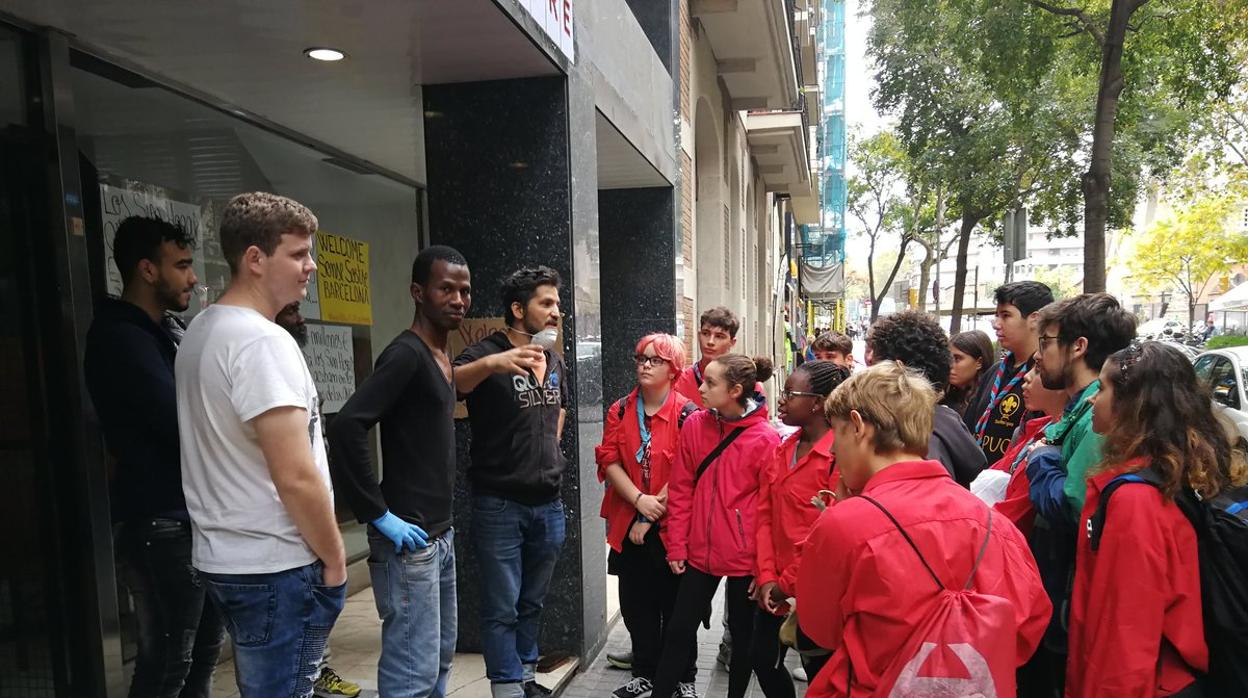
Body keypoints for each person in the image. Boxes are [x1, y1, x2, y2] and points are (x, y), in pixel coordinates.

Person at [176, 192, 345, 698]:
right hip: (276, 564)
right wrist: (336, 560)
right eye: (298, 254)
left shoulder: (202, 330)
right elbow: (294, 475)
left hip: (227, 558)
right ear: (254, 258)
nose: (310, 266)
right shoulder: (262, 342)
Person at [796, 362, 1051, 697]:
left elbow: (820, 630)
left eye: (837, 431)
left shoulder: (846, 524)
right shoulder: (992, 523)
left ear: (857, 426)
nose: (832, 449)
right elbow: (1027, 626)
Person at [84, 216, 225, 698]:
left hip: (185, 516)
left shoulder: (162, 331)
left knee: (201, 654)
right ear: (146, 269)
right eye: (182, 265)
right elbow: (177, 418)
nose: (192, 278)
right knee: (167, 661)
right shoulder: (122, 337)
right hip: (158, 521)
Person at [327, 246, 471, 698]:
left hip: (438, 536)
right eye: (445, 288)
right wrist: (378, 513)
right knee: (411, 672)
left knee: (439, 661)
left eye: (464, 291)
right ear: (417, 292)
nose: (458, 300)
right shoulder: (405, 354)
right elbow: (348, 425)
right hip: (408, 541)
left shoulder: (442, 356)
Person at [1068, 342, 1245, 695]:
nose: (1092, 399)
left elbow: (1124, 638)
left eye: (1102, 388)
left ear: (1133, 406)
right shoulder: (1186, 470)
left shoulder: (1135, 501)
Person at [453, 266, 568, 698]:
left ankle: (523, 677)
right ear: (519, 310)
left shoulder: (554, 358)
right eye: (546, 303)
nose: (556, 312)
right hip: (498, 503)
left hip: (549, 504)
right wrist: (493, 364)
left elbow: (559, 408)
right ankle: (505, 689)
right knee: (502, 606)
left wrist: (551, 452)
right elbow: (452, 383)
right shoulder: (483, 353)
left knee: (532, 602)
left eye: (557, 303)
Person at [1024, 292, 1136, 697]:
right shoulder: (1079, 409)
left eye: (1046, 342)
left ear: (1078, 347)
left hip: (1064, 596)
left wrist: (1041, 460)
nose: (1038, 357)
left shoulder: (1095, 418)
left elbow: (1074, 508)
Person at [653, 355, 785, 698]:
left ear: (735, 390)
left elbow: (770, 510)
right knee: (679, 630)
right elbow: (681, 489)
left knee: (742, 638)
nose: (701, 388)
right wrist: (677, 544)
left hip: (745, 558)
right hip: (698, 552)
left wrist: (763, 570)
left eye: (710, 383)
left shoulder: (765, 439)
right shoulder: (696, 425)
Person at [595, 333, 698, 698]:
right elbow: (609, 461)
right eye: (640, 358)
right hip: (629, 521)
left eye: (655, 360)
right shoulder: (620, 409)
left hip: (673, 527)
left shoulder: (689, 414)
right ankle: (644, 671)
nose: (645, 365)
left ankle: (684, 677)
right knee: (637, 606)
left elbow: (690, 470)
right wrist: (639, 501)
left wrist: (652, 512)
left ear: (674, 369)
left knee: (676, 609)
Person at [272, 301, 361, 698]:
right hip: (285, 530)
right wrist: (336, 555)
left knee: (305, 648)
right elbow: (292, 473)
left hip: (308, 523)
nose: (302, 316)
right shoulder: (267, 358)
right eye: (292, 310)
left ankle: (318, 671)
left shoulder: (293, 360)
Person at [753, 361, 850, 691]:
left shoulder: (840, 457)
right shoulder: (784, 448)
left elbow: (825, 537)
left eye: (790, 394)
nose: (781, 400)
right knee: (763, 660)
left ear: (818, 402)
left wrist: (786, 584)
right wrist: (766, 576)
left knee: (821, 676)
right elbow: (764, 514)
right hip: (773, 587)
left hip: (814, 591)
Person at [866, 310, 986, 487]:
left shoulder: (910, 443)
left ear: (897, 370)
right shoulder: (945, 421)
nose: (867, 360)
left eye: (875, 358)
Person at [973, 367, 1067, 538]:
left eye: (1039, 368)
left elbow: (1014, 515)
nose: (1027, 376)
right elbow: (998, 472)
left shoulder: (1053, 440)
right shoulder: (1035, 428)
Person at [967, 281, 1054, 462]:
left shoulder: (1050, 377)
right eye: (996, 315)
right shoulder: (993, 373)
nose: (996, 324)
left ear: (1035, 318)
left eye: (1006, 316)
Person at [674, 306, 766, 409]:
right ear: (699, 335)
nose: (710, 342)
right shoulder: (679, 381)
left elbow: (759, 422)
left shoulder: (748, 384)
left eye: (719, 336)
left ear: (732, 342)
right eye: (705, 334)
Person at [945, 330, 995, 417]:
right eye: (949, 358)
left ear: (979, 362)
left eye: (957, 359)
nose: (950, 365)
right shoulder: (943, 396)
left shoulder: (989, 403)